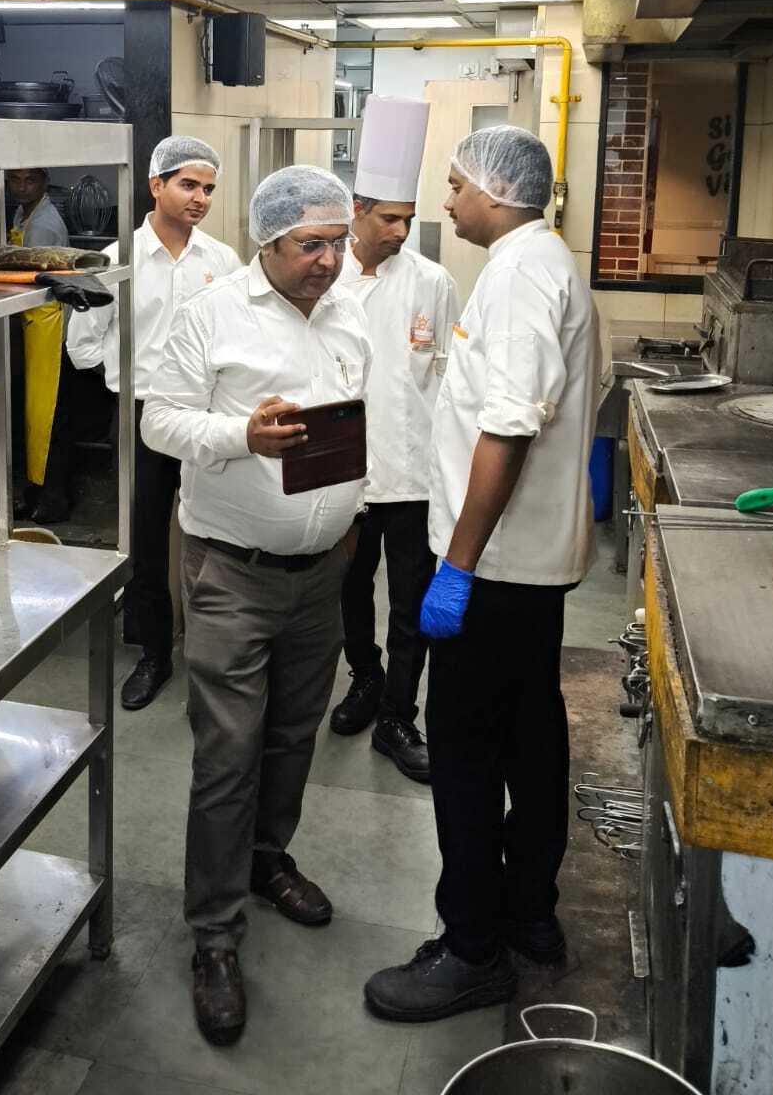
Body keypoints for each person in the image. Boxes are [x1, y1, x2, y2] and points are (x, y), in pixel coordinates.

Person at [364, 126, 601, 1023]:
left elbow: (508, 425)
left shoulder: (518, 275)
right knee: (532, 738)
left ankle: (471, 950)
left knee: (465, 753)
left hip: (496, 568)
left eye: (457, 184)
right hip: (528, 566)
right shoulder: (541, 264)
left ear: (496, 191)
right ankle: (529, 914)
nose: (448, 200)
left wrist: (455, 567)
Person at [142, 164, 372, 1048]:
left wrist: (349, 521)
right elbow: (160, 422)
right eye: (312, 245)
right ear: (268, 241)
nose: (329, 261)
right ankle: (213, 934)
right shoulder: (213, 314)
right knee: (228, 753)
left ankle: (268, 861)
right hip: (231, 572)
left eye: (338, 243)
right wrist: (244, 435)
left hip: (322, 575)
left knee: (292, 734)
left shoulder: (347, 313)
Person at [67, 136, 240, 711]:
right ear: (156, 185)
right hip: (141, 414)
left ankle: (215, 650)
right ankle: (154, 653)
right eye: (188, 185)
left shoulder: (222, 262)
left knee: (214, 530)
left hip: (205, 414)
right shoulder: (115, 260)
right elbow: (82, 346)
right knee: (145, 537)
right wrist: (130, 381)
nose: (200, 198)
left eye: (208, 188)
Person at [330, 96, 459, 782]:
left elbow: (446, 379)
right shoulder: (327, 280)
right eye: (389, 218)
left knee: (410, 601)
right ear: (357, 210)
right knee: (351, 591)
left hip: (412, 472)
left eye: (408, 219)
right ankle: (365, 679)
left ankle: (399, 716)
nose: (402, 231)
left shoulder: (433, 282)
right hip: (344, 473)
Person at [5, 168, 71, 525]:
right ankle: (35, 492)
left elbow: (34, 278)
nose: (22, 187)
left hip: (48, 326)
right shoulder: (23, 214)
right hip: (32, 323)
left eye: (29, 180)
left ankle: (53, 500)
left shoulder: (44, 224)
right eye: (15, 180)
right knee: (34, 418)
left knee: (49, 419)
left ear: (44, 182)